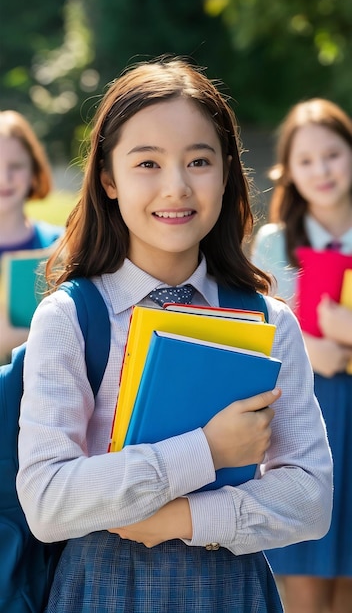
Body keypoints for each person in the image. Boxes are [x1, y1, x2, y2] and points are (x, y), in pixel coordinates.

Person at [16, 58, 332, 613]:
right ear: (108, 179)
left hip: (233, 592)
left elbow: (311, 498)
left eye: (199, 161)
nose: (177, 187)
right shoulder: (71, 318)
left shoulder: (269, 321)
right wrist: (205, 451)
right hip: (100, 591)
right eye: (147, 163)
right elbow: (45, 502)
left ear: (228, 170)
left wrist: (182, 519)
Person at [252, 98, 352, 613]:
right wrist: (310, 347)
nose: (322, 170)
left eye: (332, 154)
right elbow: (254, 333)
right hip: (303, 418)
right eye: (306, 160)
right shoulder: (274, 244)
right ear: (288, 170)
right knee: (304, 584)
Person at [0, 110, 63, 362]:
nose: (4, 178)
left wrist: (15, 337)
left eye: (15, 166)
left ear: (34, 171)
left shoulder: (60, 245)